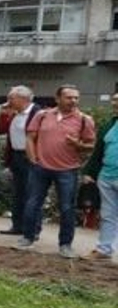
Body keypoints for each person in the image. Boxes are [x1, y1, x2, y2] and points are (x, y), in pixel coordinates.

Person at [19, 84, 97, 258]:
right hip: (40, 168)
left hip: (68, 170)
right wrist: (32, 158)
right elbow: (30, 137)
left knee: (67, 207)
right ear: (57, 98)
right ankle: (27, 238)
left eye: (76, 98)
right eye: (69, 97)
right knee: (32, 203)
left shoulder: (84, 120)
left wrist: (78, 144)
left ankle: (65, 245)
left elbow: (91, 145)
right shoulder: (42, 115)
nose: (73, 101)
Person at [0, 85, 40, 236]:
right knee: (18, 193)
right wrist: (4, 115)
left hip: (30, 156)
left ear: (23, 99)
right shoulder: (14, 113)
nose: (8, 101)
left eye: (11, 98)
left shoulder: (37, 113)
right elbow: (1, 130)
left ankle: (32, 228)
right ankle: (17, 225)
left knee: (32, 193)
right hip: (16, 156)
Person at [82, 92, 118, 262]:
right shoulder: (109, 125)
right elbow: (98, 151)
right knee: (107, 214)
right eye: (114, 100)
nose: (115, 103)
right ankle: (104, 249)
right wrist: (90, 172)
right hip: (107, 176)